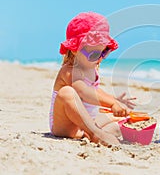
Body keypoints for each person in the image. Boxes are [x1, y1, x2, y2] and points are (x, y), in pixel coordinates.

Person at [49, 12, 136, 146]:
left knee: (114, 124)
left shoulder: (91, 69)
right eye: (95, 54)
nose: (100, 58)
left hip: (85, 122)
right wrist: (111, 104)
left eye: (104, 52)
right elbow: (84, 92)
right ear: (75, 50)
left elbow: (95, 90)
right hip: (65, 127)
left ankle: (92, 131)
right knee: (67, 92)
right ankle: (95, 133)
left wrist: (114, 100)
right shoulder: (69, 71)